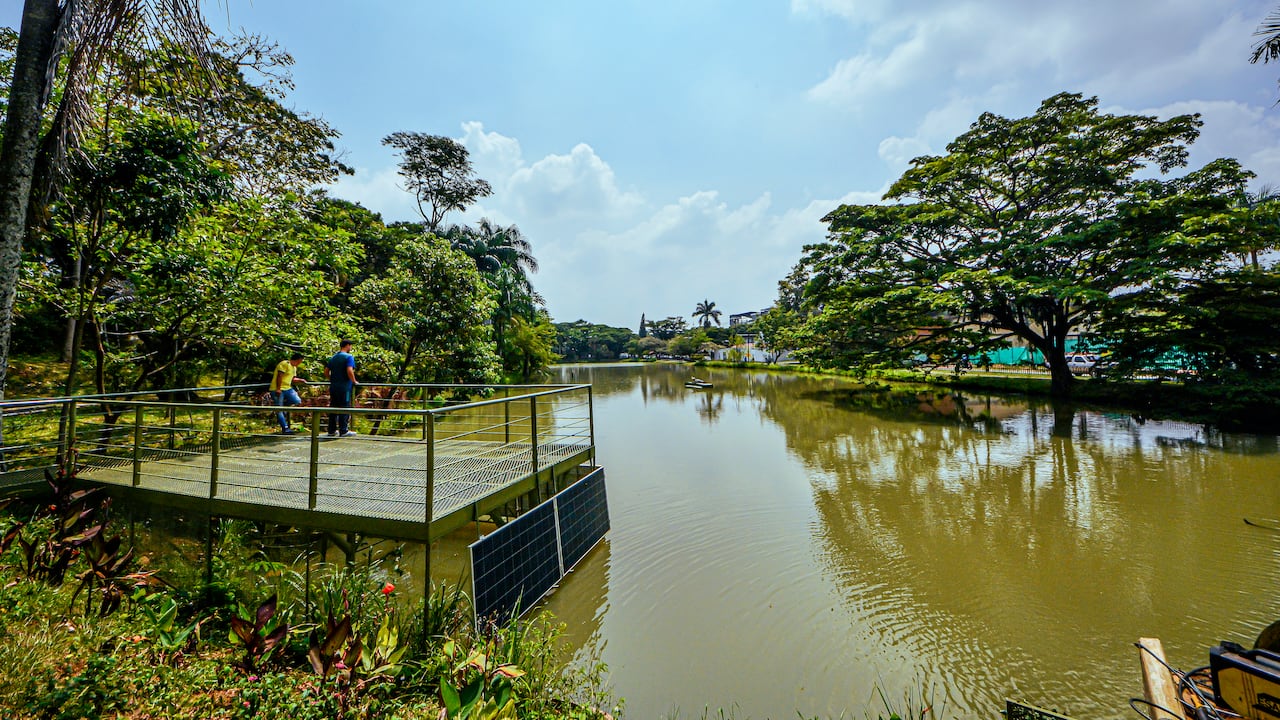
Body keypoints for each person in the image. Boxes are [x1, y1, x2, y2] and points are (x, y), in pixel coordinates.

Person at [324, 339, 360, 437]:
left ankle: (331, 430)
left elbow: (326, 371)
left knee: (333, 407)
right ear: (347, 346)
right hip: (344, 387)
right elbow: (349, 370)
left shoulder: (334, 357)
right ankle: (343, 430)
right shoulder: (349, 357)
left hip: (334, 386)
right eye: (350, 346)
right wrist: (354, 381)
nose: (351, 348)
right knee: (344, 407)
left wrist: (332, 379)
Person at [270, 352, 307, 434]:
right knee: (279, 409)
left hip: (287, 388)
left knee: (297, 400)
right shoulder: (284, 364)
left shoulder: (294, 368)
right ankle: (285, 428)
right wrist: (278, 389)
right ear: (297, 360)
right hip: (278, 389)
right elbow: (280, 376)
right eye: (300, 361)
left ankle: (284, 407)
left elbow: (292, 379)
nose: (300, 363)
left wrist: (301, 380)